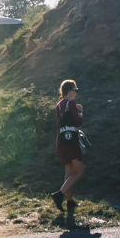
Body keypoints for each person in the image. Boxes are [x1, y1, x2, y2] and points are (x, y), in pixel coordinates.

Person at [50, 80, 84, 212]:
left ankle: (69, 202)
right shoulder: (71, 104)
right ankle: (59, 195)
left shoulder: (58, 105)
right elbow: (77, 122)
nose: (76, 93)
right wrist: (80, 112)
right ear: (70, 91)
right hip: (71, 142)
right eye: (76, 90)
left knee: (69, 172)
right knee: (79, 171)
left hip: (61, 141)